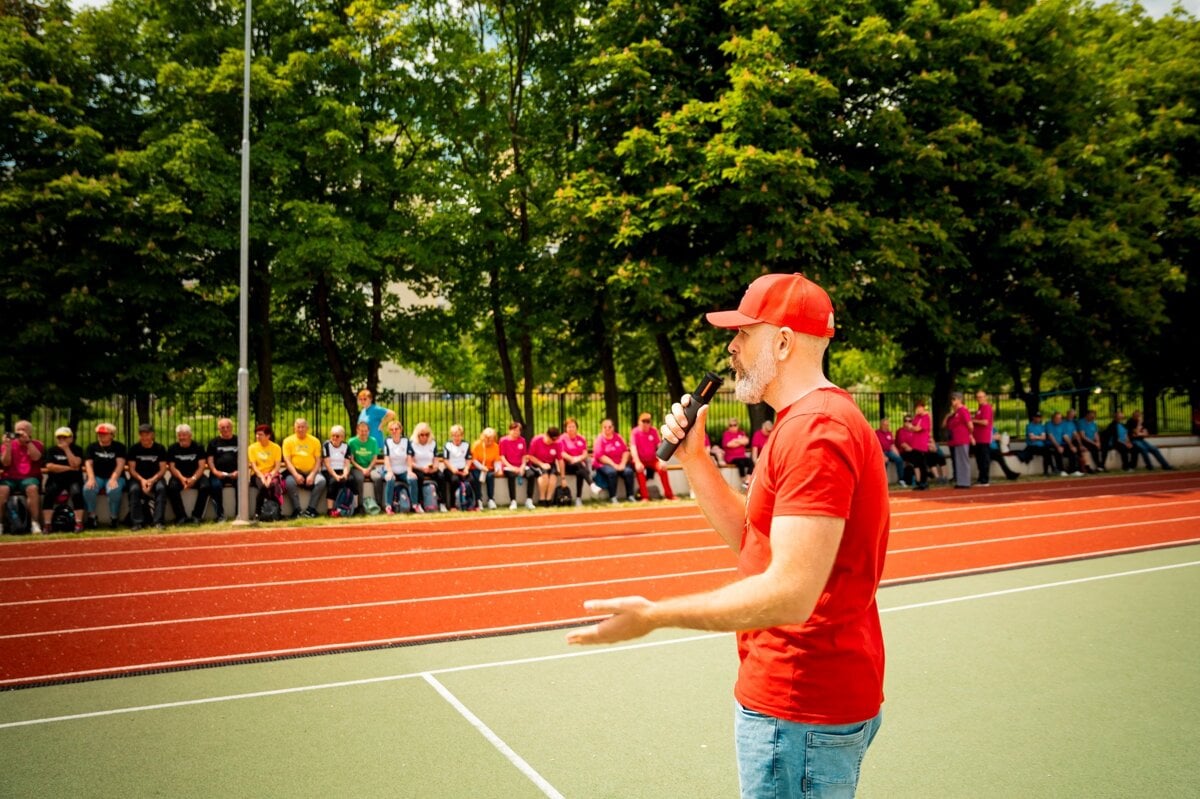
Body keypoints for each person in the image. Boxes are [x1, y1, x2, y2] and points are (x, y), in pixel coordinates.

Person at [569, 273, 888, 798]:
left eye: (744, 333)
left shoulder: (815, 431)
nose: (731, 347)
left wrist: (656, 615)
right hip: (802, 701)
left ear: (783, 342)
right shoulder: (805, 420)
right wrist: (695, 458)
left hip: (799, 704)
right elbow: (753, 536)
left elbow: (791, 591)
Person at [0, 420, 45, 533]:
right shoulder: (7, 445)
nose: (20, 432)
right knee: (2, 490)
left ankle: (35, 523)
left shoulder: (37, 444)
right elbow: (5, 463)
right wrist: (8, 446)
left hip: (29, 477)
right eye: (18, 430)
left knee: (32, 489)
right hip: (10, 477)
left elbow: (36, 458)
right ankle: (0, 524)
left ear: (30, 432)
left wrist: (28, 442)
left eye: (24, 430)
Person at [40, 426, 85, 532]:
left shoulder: (77, 449)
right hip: (55, 479)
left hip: (73, 479)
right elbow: (50, 467)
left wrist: (66, 450)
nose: (61, 440)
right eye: (59, 437)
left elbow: (76, 463)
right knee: (49, 494)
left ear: (71, 438)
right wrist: (69, 468)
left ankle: (78, 522)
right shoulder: (51, 450)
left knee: (77, 493)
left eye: (64, 437)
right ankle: (47, 524)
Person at [82, 422, 127, 529]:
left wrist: (113, 479)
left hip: (115, 476)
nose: (101, 436)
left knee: (113, 490)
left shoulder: (119, 447)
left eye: (104, 434)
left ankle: (114, 517)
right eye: (99, 434)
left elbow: (120, 464)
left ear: (112, 435)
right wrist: (91, 478)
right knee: (88, 489)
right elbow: (88, 463)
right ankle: (92, 517)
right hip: (97, 476)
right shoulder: (92, 447)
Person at [126, 424, 169, 530]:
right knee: (134, 490)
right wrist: (142, 480)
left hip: (156, 478)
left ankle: (158, 522)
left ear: (152, 435)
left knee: (161, 488)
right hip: (138, 478)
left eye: (147, 434)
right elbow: (131, 469)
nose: (145, 437)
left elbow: (163, 469)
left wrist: (151, 480)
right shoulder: (134, 449)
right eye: (142, 435)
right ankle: (137, 522)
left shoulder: (160, 448)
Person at [166, 423, 211, 524]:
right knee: (172, 488)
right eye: (179, 435)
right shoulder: (172, 448)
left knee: (206, 486)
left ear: (190, 435)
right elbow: (172, 467)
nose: (182, 437)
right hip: (178, 476)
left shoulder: (198, 447)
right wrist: (182, 478)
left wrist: (193, 478)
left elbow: (201, 466)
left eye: (184, 435)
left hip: (196, 475)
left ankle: (197, 516)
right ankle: (181, 517)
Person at [282, 418, 327, 518]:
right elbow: (287, 461)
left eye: (303, 427)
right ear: (294, 428)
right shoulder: (288, 441)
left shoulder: (315, 441)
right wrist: (296, 475)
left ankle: (311, 510)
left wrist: (312, 474)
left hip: (311, 471)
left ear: (307, 428)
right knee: (289, 482)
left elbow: (318, 460)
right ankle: (297, 510)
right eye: (298, 427)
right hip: (295, 471)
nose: (300, 429)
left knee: (321, 481)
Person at [630, 412, 676, 502]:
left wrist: (662, 460)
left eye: (648, 421)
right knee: (640, 470)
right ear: (639, 422)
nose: (646, 423)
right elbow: (633, 448)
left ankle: (669, 495)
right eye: (644, 421)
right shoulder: (635, 432)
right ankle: (645, 497)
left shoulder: (654, 431)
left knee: (662, 468)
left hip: (652, 459)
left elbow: (659, 447)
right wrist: (637, 462)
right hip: (641, 460)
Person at [590, 418, 635, 503]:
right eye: (605, 427)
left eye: (609, 427)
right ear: (602, 428)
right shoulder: (599, 439)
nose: (607, 429)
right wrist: (614, 465)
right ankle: (613, 497)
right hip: (604, 465)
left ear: (613, 427)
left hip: (619, 464)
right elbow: (600, 457)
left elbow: (625, 452)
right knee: (612, 472)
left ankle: (630, 496)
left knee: (628, 472)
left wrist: (622, 464)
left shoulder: (618, 437)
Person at [247, 424, 284, 520]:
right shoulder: (252, 448)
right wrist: (263, 478)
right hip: (257, 475)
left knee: (273, 485)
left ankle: (275, 512)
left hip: (271, 473)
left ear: (268, 436)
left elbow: (277, 466)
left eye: (260, 435)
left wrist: (270, 476)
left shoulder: (276, 448)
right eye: (257, 434)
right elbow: (254, 466)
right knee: (264, 486)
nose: (258, 437)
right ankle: (257, 512)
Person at [206, 418, 239, 522]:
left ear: (232, 427)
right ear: (218, 429)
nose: (225, 429)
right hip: (218, 474)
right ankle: (220, 515)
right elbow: (210, 460)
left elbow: (243, 458)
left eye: (227, 427)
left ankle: (240, 514)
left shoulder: (239, 440)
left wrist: (239, 471)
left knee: (242, 486)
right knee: (215, 486)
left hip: (236, 474)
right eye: (222, 427)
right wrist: (215, 472)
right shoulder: (213, 443)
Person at [348, 420, 383, 512]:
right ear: (357, 430)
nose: (363, 433)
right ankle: (359, 506)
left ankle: (379, 504)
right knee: (359, 479)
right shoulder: (352, 442)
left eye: (365, 431)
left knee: (378, 478)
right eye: (361, 430)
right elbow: (351, 460)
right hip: (357, 468)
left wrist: (368, 469)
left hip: (370, 467)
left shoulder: (373, 441)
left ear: (368, 431)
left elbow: (375, 458)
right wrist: (362, 469)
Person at [381, 421, 415, 513]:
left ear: (401, 430)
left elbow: (409, 458)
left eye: (396, 429)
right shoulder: (387, 441)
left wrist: (410, 471)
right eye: (392, 429)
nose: (394, 431)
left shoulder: (406, 441)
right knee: (390, 479)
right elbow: (386, 458)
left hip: (403, 470)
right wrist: (389, 471)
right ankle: (388, 506)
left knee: (412, 479)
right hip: (390, 469)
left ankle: (414, 505)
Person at [407, 422, 442, 512]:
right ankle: (419, 502)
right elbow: (409, 461)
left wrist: (435, 468)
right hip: (418, 468)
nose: (424, 437)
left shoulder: (432, 443)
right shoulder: (412, 443)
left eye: (427, 434)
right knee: (418, 477)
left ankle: (442, 502)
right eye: (421, 435)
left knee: (441, 476)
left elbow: (436, 458)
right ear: (417, 434)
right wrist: (421, 468)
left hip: (430, 468)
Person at [498, 421, 532, 510]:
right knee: (511, 476)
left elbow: (524, 456)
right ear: (509, 430)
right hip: (508, 466)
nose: (516, 432)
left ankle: (529, 499)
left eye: (518, 430)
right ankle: (513, 500)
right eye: (514, 430)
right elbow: (502, 457)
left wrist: (522, 466)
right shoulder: (503, 440)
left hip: (520, 466)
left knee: (531, 474)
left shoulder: (522, 440)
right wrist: (512, 468)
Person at [527, 426, 563, 507]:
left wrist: (563, 477)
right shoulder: (537, 440)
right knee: (545, 476)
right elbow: (530, 456)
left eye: (555, 439)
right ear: (547, 435)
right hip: (537, 462)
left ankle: (548, 499)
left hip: (550, 463)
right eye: (552, 439)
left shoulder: (557, 443)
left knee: (553, 476)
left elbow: (560, 460)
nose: (553, 442)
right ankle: (542, 499)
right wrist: (541, 464)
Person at [559, 417, 592, 506]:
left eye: (573, 426)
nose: (571, 429)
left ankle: (578, 498)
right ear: (565, 428)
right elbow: (562, 453)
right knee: (581, 468)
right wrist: (572, 459)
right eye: (569, 427)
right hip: (567, 465)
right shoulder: (562, 438)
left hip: (578, 464)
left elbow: (585, 453)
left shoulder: (581, 438)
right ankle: (591, 484)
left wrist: (578, 459)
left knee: (580, 471)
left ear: (576, 427)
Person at [323, 425, 354, 517]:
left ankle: (350, 507)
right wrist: (336, 476)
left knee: (351, 480)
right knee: (333, 481)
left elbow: (347, 464)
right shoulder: (326, 445)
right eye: (333, 435)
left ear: (342, 437)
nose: (335, 438)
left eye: (337, 436)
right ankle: (330, 510)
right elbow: (327, 464)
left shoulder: (346, 446)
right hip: (329, 471)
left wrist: (345, 474)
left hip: (341, 469)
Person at [944, 392, 973, 488]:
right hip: (956, 440)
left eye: (954, 399)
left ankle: (965, 482)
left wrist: (970, 435)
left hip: (963, 439)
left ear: (960, 399)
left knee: (963, 461)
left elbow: (970, 425)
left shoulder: (963, 410)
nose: (952, 401)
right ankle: (961, 482)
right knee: (959, 461)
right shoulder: (956, 412)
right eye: (952, 399)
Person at [442, 424, 473, 509]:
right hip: (451, 469)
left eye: (459, 435)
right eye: (455, 436)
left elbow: (469, 459)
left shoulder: (466, 444)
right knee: (454, 480)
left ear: (462, 435)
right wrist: (452, 469)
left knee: (471, 479)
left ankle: (471, 504)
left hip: (463, 468)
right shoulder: (447, 445)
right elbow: (445, 460)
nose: (457, 438)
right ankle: (453, 505)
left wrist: (466, 469)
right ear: (451, 436)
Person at [904, 404, 934, 490]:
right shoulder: (917, 417)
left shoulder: (925, 417)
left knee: (922, 464)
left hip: (922, 444)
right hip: (915, 443)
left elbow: (918, 428)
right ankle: (920, 481)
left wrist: (911, 427)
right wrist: (911, 427)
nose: (917, 410)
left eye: (919, 408)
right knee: (917, 463)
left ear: (922, 408)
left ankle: (924, 482)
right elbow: (912, 428)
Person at [470, 427, 500, 510]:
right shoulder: (477, 445)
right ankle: (478, 499)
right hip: (477, 467)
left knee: (490, 477)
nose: (490, 442)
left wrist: (497, 469)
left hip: (489, 468)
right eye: (488, 439)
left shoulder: (496, 446)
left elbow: (497, 460)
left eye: (492, 439)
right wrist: (482, 467)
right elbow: (474, 460)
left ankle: (491, 499)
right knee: (476, 477)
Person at [1046, 411, 1081, 476]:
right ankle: (1060, 470)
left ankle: (1073, 470)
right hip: (1051, 444)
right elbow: (1051, 437)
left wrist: (1071, 446)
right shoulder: (1048, 424)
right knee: (1058, 451)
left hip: (1060, 444)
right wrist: (1058, 446)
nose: (1059, 420)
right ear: (1053, 418)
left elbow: (1065, 436)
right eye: (1057, 418)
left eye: (1060, 418)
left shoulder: (1062, 425)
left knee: (1071, 450)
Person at [874, 417, 907, 486]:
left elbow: (892, 445)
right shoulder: (876, 433)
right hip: (880, 452)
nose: (886, 427)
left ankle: (901, 480)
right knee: (885, 462)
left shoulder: (889, 433)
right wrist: (883, 455)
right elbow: (876, 446)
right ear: (881, 425)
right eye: (885, 425)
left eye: (887, 425)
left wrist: (897, 454)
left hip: (889, 451)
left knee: (899, 460)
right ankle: (882, 482)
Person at [721, 418, 754, 486]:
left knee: (751, 462)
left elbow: (746, 441)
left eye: (734, 425)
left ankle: (748, 479)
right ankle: (743, 480)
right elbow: (729, 444)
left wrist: (735, 440)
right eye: (731, 425)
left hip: (742, 456)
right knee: (740, 463)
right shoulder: (726, 434)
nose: (733, 427)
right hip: (731, 457)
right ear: (728, 426)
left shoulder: (741, 433)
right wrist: (740, 441)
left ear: (737, 425)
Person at [971, 391, 994, 485]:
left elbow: (985, 422)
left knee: (984, 459)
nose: (979, 399)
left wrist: (973, 420)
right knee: (979, 459)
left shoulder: (987, 408)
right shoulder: (980, 408)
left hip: (984, 438)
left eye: (981, 397)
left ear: (985, 397)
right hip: (978, 438)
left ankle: (985, 479)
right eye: (978, 397)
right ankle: (981, 478)